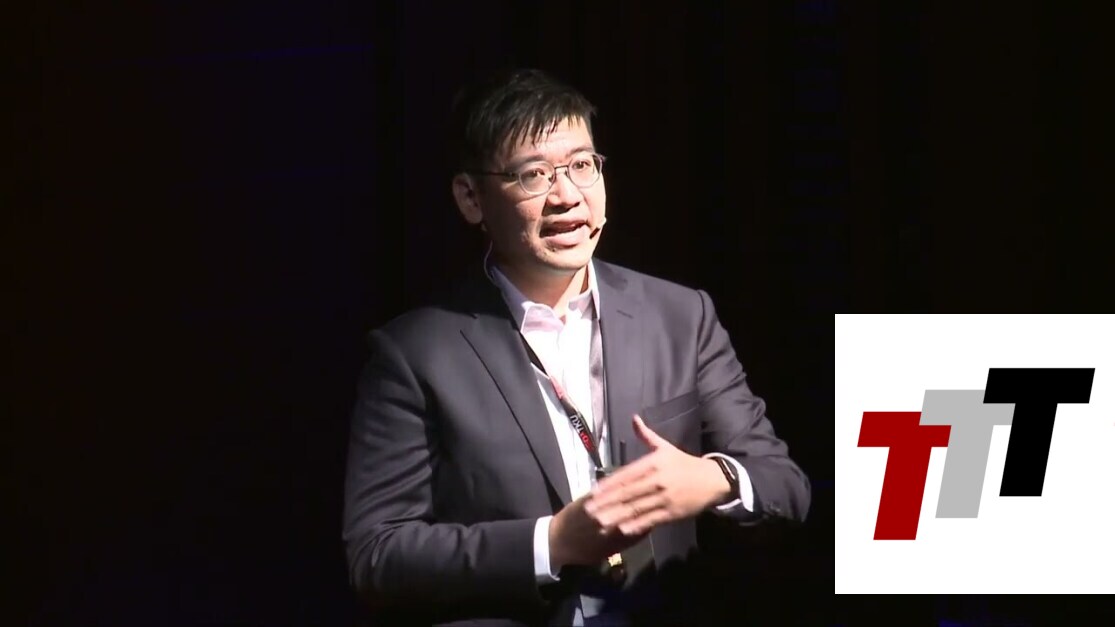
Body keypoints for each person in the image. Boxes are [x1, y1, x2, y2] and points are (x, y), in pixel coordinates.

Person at [343, 68, 810, 626]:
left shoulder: (681, 316)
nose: (567, 196)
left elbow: (786, 487)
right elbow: (379, 555)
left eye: (582, 166)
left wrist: (713, 479)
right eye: (533, 175)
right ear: (471, 198)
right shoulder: (415, 354)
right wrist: (552, 542)